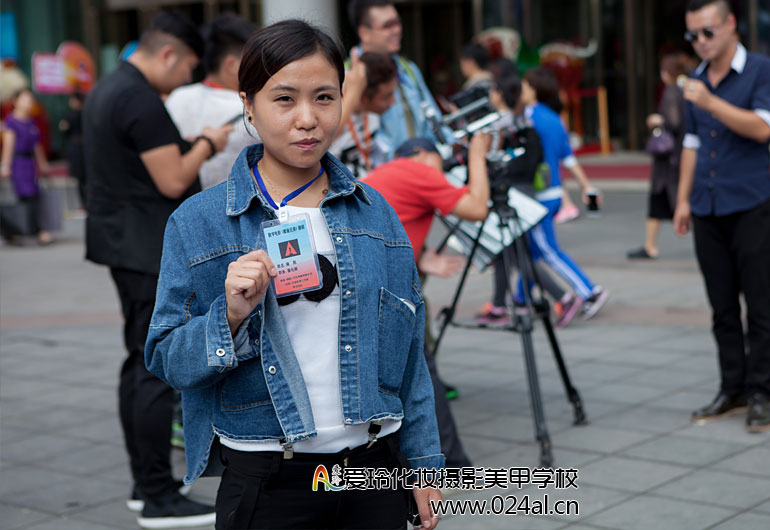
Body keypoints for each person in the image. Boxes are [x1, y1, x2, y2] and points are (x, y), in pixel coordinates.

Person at [144, 19, 444, 529]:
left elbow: (412, 354)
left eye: (324, 97)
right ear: (248, 104)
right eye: (284, 99)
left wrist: (424, 464)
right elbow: (166, 357)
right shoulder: (198, 222)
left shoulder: (376, 213)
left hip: (374, 473)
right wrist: (229, 317)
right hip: (267, 479)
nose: (307, 119)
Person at [82, 11, 231, 528]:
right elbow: (172, 180)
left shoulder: (109, 87)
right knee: (153, 368)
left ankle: (143, 483)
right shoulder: (141, 99)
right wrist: (208, 143)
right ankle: (158, 496)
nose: (189, 76)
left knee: (136, 364)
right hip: (144, 248)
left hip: (121, 243)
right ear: (168, 54)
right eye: (189, 66)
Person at [673, 0, 770, 432]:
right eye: (693, 35)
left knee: (758, 305)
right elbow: (691, 144)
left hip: (753, 205)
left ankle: (760, 392)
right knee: (721, 308)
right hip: (707, 207)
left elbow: (763, 128)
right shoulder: (697, 80)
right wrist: (683, 200)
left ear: (731, 24)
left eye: (708, 32)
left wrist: (712, 102)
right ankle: (732, 388)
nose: (700, 42)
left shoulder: (762, 70)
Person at [361, 135, 492, 468]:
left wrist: (420, 258)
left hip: (369, 289)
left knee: (403, 375)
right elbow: (477, 209)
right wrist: (477, 155)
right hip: (386, 296)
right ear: (422, 154)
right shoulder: (417, 170)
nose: (441, 173)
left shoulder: (387, 173)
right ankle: (449, 464)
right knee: (421, 376)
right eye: (439, 162)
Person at [474, 73, 585, 328]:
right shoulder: (527, 119)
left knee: (518, 254)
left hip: (512, 192)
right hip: (524, 190)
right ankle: (499, 305)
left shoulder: (503, 123)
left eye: (493, 89)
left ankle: (564, 297)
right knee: (506, 251)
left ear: (500, 93)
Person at [521, 68, 609, 321]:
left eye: (524, 86)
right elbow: (568, 159)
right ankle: (520, 298)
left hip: (537, 195)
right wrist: (586, 187)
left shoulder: (528, 118)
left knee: (547, 251)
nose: (521, 91)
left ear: (534, 90)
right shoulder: (555, 119)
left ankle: (589, 291)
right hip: (554, 192)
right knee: (534, 250)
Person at [165, 12, 258, 189]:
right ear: (231, 65)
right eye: (253, 61)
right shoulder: (249, 108)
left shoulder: (177, 97)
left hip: (188, 202)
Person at [348, 0, 451, 149]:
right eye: (387, 26)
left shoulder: (408, 69)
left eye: (397, 23)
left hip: (422, 159)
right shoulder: (350, 76)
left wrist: (450, 144)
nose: (396, 30)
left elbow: (433, 120)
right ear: (364, 33)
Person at [628, 52, 689, 260]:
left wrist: (657, 120)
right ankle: (649, 245)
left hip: (669, 159)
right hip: (681, 154)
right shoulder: (687, 89)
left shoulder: (672, 91)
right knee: (666, 201)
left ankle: (650, 246)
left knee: (662, 198)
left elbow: (673, 122)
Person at [329, 51, 397, 178]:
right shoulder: (331, 101)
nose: (393, 102)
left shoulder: (372, 114)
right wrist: (353, 94)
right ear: (364, 97)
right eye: (386, 97)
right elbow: (325, 136)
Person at [0, 88, 52, 245]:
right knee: (26, 196)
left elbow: (36, 146)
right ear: (15, 102)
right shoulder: (11, 122)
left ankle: (24, 231)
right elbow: (8, 145)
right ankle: (34, 231)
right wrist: (5, 166)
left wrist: (42, 164)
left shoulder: (31, 121)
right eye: (25, 99)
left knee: (33, 195)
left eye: (30, 100)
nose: (29, 103)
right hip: (18, 163)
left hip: (30, 163)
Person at [58, 91, 87, 209]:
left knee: (79, 177)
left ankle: (83, 202)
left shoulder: (71, 115)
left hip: (75, 147)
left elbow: (63, 127)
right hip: (86, 147)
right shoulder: (87, 113)